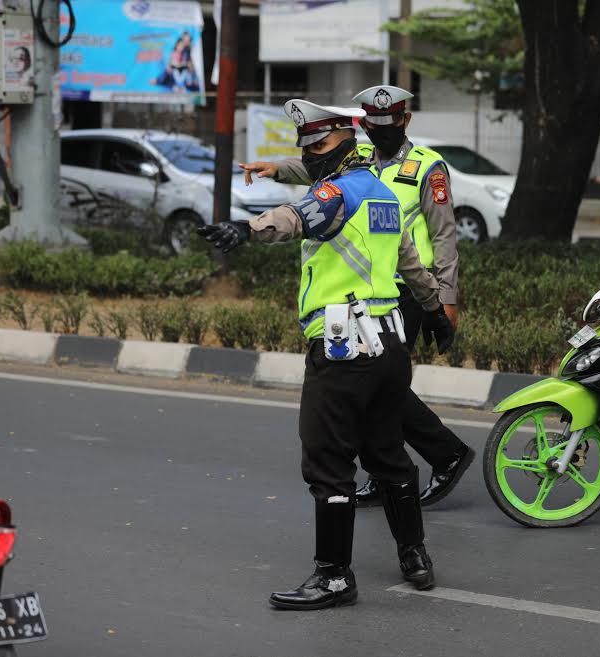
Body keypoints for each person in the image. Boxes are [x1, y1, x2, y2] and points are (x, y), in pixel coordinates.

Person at [197, 99, 455, 610]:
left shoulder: (339, 189)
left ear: (345, 142)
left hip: (344, 349)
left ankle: (334, 577)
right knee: (386, 454)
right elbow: (412, 266)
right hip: (389, 347)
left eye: (320, 145)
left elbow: (298, 216)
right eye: (308, 147)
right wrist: (437, 314)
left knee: (327, 459)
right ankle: (415, 557)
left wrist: (244, 230)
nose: (312, 154)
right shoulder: (382, 194)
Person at [240, 85, 474, 508]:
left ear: (405, 121)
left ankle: (444, 453)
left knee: (382, 383)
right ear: (364, 125)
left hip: (408, 287)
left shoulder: (427, 167)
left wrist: (446, 297)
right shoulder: (359, 160)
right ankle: (393, 470)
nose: (379, 131)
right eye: (372, 125)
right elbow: (314, 167)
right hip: (368, 285)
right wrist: (274, 168)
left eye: (388, 124)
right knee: (378, 382)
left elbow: (444, 235)